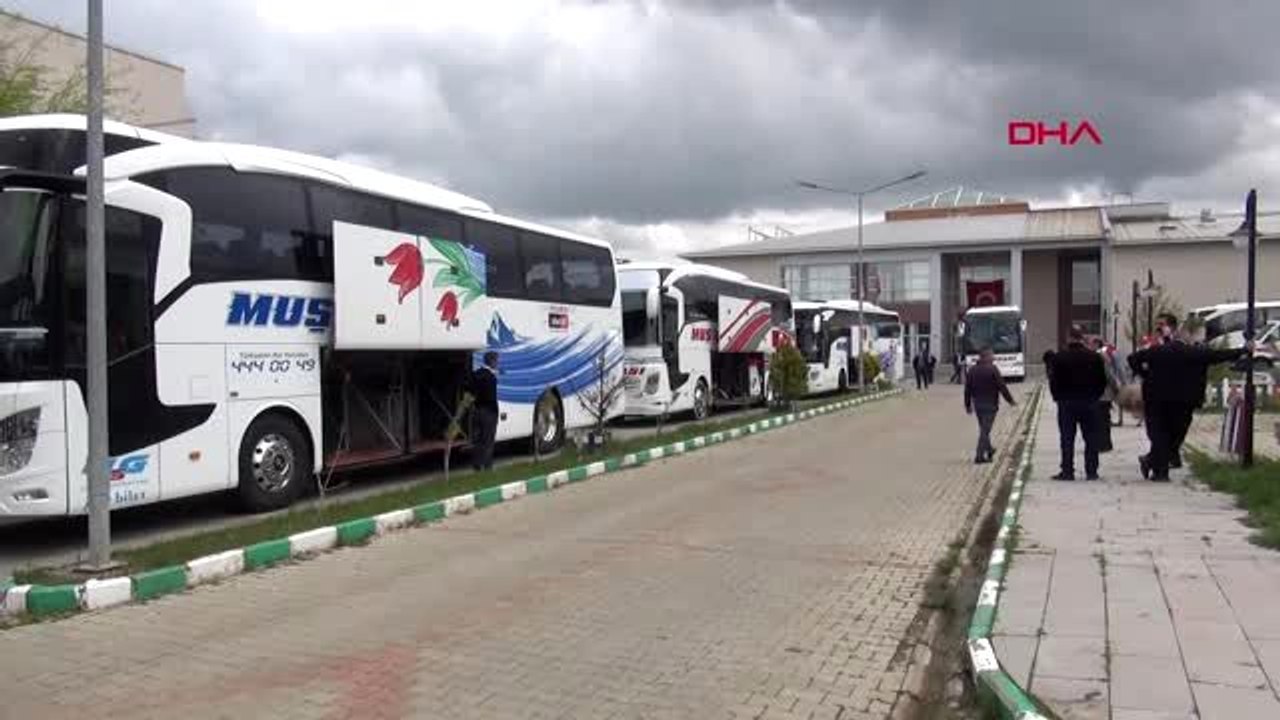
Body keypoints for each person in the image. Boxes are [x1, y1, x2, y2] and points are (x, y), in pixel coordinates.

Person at [1128, 314, 1250, 481]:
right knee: (1175, 435)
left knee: (1159, 434)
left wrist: (1145, 375)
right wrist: (1243, 350)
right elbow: (1219, 355)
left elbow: (1133, 359)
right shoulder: (1194, 353)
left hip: (1156, 399)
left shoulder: (1156, 352)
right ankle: (1156, 467)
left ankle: (1156, 467)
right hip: (1184, 401)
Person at [1048, 326, 1108, 481]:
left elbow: (1053, 382)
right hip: (1089, 402)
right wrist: (1095, 396)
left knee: (1067, 438)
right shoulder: (1094, 357)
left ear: (1069, 338)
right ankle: (1091, 471)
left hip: (1067, 403)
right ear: (1082, 338)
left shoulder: (1059, 357)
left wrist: (1057, 398)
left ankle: (1067, 470)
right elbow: (1102, 381)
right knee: (1091, 438)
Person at [965, 348, 1016, 464]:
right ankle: (979, 456)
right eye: (992, 356)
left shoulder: (972, 370)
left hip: (978, 405)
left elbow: (967, 390)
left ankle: (989, 449)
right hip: (990, 405)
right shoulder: (993, 369)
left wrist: (968, 405)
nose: (993, 358)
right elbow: (1002, 387)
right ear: (985, 357)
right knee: (985, 430)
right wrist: (1010, 400)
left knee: (984, 429)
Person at [468, 350, 500, 472]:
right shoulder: (491, 377)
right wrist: (495, 412)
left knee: (477, 441)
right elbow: (492, 398)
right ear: (492, 361)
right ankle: (487, 466)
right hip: (488, 412)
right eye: (497, 361)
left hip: (476, 410)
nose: (498, 363)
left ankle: (476, 465)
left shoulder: (476, 374)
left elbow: (469, 390)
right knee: (488, 440)